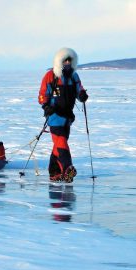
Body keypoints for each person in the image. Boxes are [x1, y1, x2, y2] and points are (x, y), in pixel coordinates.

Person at [38, 47, 88, 183]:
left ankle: (54, 172)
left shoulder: (74, 76)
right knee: (61, 141)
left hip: (67, 117)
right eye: (65, 60)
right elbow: (42, 95)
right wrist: (45, 105)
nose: (67, 63)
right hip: (54, 116)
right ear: (59, 61)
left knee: (58, 145)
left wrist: (82, 95)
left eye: (69, 61)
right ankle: (67, 168)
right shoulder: (50, 76)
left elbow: (79, 91)